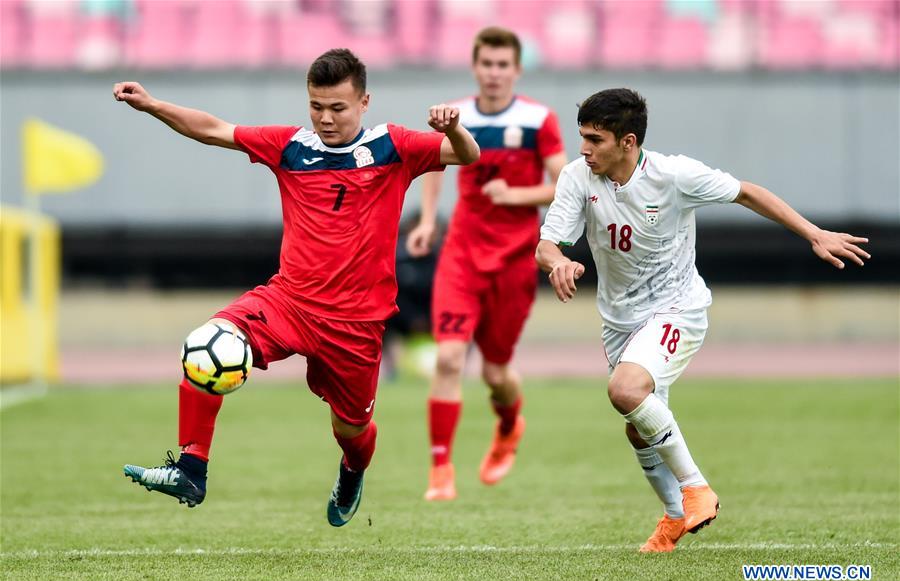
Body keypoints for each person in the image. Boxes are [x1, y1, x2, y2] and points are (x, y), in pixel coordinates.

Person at [113, 49, 480, 527]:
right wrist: (153, 104)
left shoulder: (395, 146)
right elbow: (213, 130)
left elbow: (468, 155)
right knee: (206, 346)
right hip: (288, 301)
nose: (325, 119)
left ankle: (352, 470)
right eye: (316, 106)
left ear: (364, 101)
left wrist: (451, 127)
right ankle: (191, 468)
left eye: (338, 108)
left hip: (356, 322)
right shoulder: (290, 146)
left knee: (352, 430)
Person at [536, 88, 869, 552]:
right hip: (619, 320)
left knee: (626, 391)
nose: (584, 149)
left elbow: (747, 193)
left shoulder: (674, 175)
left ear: (627, 141)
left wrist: (814, 234)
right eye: (582, 137)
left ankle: (697, 491)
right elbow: (547, 243)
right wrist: (557, 263)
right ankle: (674, 517)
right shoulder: (577, 178)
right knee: (639, 424)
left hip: (677, 308)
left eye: (595, 139)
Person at [405, 27, 567, 501]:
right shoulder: (458, 115)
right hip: (462, 255)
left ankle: (510, 424)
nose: (494, 73)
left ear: (516, 70)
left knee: (495, 373)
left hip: (516, 258)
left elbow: (566, 185)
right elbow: (435, 163)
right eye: (487, 64)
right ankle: (440, 469)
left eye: (503, 65)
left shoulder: (539, 119)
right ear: (475, 67)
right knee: (451, 357)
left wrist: (515, 195)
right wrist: (429, 222)